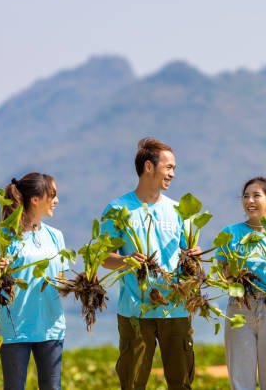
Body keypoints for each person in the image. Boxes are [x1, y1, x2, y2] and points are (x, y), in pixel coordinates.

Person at [100, 137, 201, 390]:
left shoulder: (180, 210)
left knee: (181, 383)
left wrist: (193, 257)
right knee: (132, 383)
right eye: (169, 167)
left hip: (175, 308)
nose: (173, 174)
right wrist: (126, 260)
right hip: (135, 309)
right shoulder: (117, 208)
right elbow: (103, 258)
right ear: (148, 167)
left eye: (174, 168)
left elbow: (187, 258)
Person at [216, 177, 266, 390]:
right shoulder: (230, 233)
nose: (249, 201)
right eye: (246, 196)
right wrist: (232, 276)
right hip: (239, 307)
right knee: (241, 380)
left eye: (256, 196)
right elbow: (221, 273)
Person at [0, 173, 68, 390]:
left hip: (51, 326)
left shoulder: (56, 236)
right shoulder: (3, 234)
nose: (57, 200)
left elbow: (61, 282)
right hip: (15, 328)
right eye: (52, 195)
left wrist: (82, 285)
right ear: (35, 199)